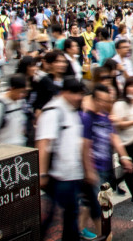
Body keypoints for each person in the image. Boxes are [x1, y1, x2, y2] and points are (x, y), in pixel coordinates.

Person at [37, 77, 93, 241]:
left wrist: (86, 169)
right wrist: (42, 174)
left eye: (80, 94)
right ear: (64, 93)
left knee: (65, 214)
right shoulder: (53, 111)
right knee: (64, 215)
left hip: (72, 174)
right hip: (59, 175)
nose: (79, 98)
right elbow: (44, 143)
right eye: (75, 94)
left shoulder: (72, 111)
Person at [80, 84, 133, 240]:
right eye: (102, 100)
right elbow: (85, 146)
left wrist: (124, 157)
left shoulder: (105, 117)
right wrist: (88, 170)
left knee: (89, 204)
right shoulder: (87, 118)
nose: (105, 104)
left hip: (104, 168)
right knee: (100, 208)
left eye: (108, 100)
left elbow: (114, 137)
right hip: (93, 169)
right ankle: (106, 235)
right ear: (95, 99)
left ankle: (78, 229)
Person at [0, 73, 28, 147]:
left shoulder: (20, 102)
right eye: (20, 92)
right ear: (12, 88)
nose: (22, 95)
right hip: (4, 152)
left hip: (20, 151)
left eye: (24, 92)